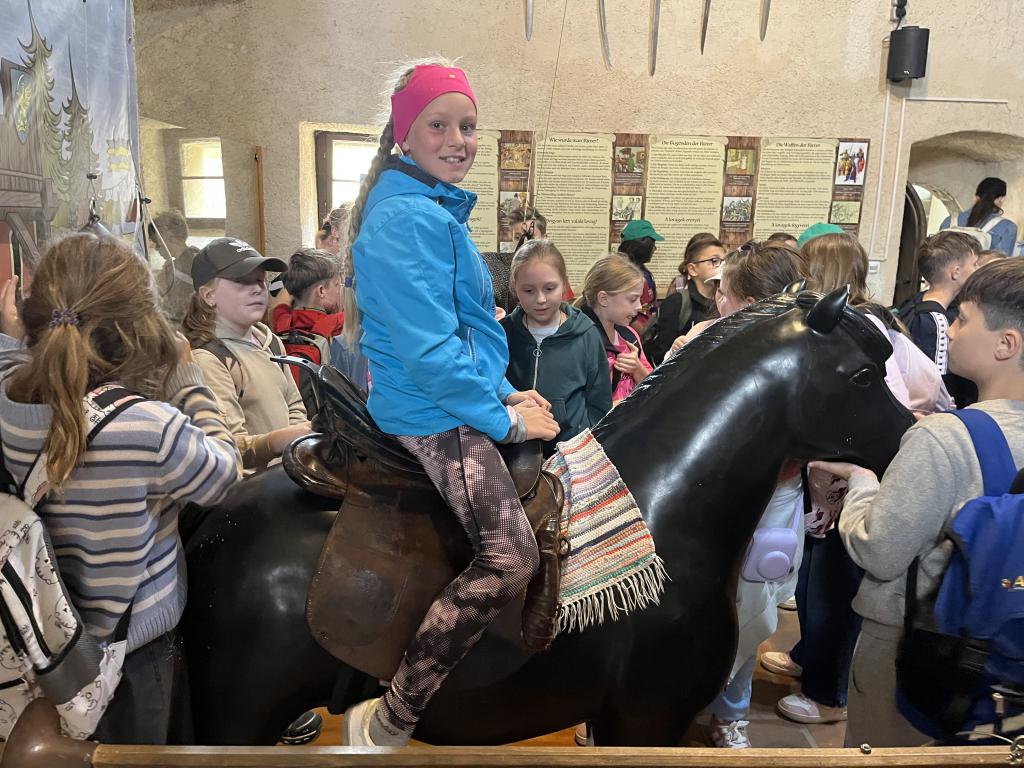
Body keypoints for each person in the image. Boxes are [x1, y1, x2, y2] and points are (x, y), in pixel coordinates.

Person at [339, 59, 559, 747]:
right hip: (432, 415)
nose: (458, 140)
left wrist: (502, 388)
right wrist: (504, 420)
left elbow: (462, 331)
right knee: (511, 558)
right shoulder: (409, 219)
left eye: (468, 126)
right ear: (405, 134)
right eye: (439, 125)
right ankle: (396, 713)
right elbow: (433, 355)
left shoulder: (430, 206)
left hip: (446, 395)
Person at [0, 233, 240, 743]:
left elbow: (13, 362)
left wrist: (12, 336)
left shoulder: (5, 398)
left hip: (36, 645)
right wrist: (188, 376)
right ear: (138, 329)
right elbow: (224, 474)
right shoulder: (149, 428)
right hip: (129, 656)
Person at [828, 258, 1024, 746]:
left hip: (918, 648)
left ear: (1006, 344)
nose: (950, 331)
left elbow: (880, 549)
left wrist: (862, 483)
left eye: (963, 319)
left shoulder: (944, 437)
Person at [764, 231, 951, 727]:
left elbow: (883, 403)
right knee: (813, 579)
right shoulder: (857, 319)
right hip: (832, 476)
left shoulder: (859, 325)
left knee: (834, 586)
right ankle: (810, 656)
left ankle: (828, 694)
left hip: (853, 475)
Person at [669, 243, 805, 748]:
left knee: (752, 605)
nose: (716, 301)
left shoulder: (803, 352)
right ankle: (674, 695)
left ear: (751, 303)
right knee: (692, 599)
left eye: (723, 293)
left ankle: (731, 712)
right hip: (705, 497)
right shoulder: (701, 340)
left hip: (773, 496)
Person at [182, 237, 312, 475]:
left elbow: (294, 405)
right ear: (208, 295)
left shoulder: (270, 341)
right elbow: (227, 445)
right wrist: (275, 442)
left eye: (260, 280)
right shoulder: (209, 358)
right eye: (241, 281)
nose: (257, 289)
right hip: (249, 489)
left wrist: (297, 441)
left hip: (286, 478)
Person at [501, 239, 612, 456]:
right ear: (515, 289)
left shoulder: (587, 334)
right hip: (513, 452)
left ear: (564, 285)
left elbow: (599, 402)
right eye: (529, 290)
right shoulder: (502, 333)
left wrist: (586, 446)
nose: (540, 299)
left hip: (572, 453)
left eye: (550, 288)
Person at [897, 231, 980, 408]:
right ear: (956, 272)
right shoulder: (936, 323)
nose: (978, 270)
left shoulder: (915, 301)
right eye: (974, 264)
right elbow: (937, 388)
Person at [271, 247, 345, 414]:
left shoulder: (280, 320)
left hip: (288, 412)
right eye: (337, 284)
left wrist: (296, 281)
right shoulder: (338, 323)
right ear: (321, 291)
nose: (340, 289)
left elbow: (282, 299)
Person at [575, 255, 653, 405]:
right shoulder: (581, 341)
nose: (638, 306)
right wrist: (612, 407)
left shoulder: (630, 336)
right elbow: (573, 402)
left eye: (639, 299)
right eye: (632, 299)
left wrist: (637, 369)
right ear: (603, 298)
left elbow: (653, 386)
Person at [645, 233, 724, 364]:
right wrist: (674, 350)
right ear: (692, 269)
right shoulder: (675, 303)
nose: (721, 266)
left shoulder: (725, 302)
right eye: (714, 261)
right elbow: (659, 353)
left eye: (724, 261)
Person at [941, 177, 1019, 257]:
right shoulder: (1007, 227)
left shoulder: (949, 221)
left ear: (975, 196)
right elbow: (1002, 262)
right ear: (1002, 199)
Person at [147, 209, 198, 326]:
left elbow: (174, 308)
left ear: (170, 238)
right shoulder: (197, 255)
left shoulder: (177, 270)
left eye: (156, 241)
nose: (155, 248)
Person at [616, 219, 664, 338]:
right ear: (642, 246)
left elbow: (646, 303)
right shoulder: (623, 275)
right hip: (632, 335)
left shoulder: (643, 271)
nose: (655, 249)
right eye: (652, 245)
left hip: (646, 330)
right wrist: (640, 330)